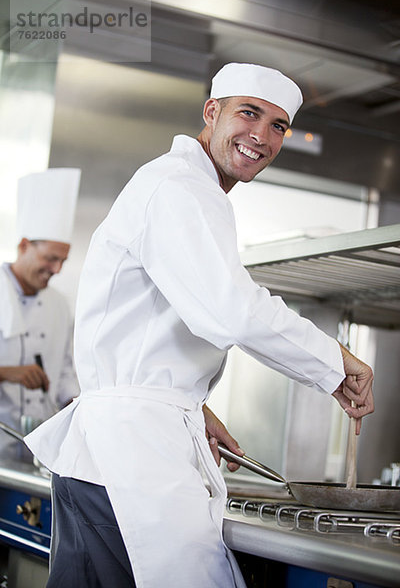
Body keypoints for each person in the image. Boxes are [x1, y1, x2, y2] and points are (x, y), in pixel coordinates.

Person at [25, 63, 374, 588]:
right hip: (133, 457)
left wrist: (188, 404)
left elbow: (149, 325)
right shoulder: (180, 187)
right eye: (248, 114)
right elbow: (231, 308)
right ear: (212, 112)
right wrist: (334, 361)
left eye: (278, 125)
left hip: (112, 450)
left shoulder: (181, 186)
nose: (261, 135)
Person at [0, 168, 81, 460]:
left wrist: (82, 409)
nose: (57, 270)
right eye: (50, 258)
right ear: (23, 246)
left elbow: (65, 375)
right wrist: (8, 373)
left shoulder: (59, 305)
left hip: (41, 453)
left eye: (62, 261)